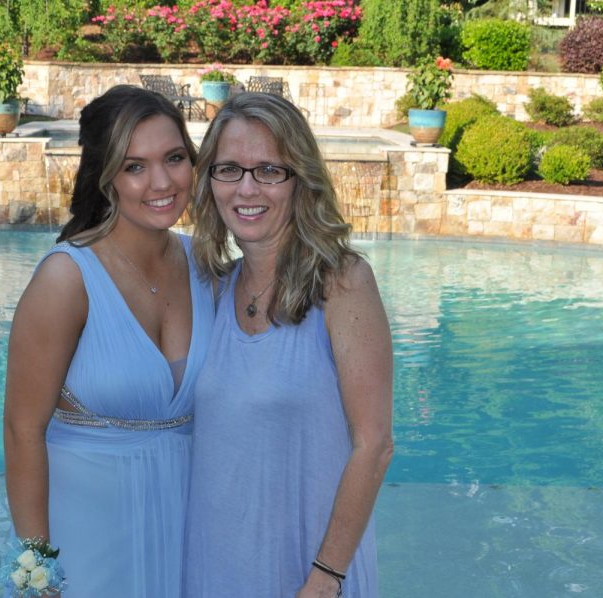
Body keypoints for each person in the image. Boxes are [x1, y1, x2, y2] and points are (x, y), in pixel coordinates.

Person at [2, 85, 214, 597]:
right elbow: (21, 430)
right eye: (134, 166)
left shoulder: (208, 267)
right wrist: (39, 568)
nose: (161, 182)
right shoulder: (66, 279)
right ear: (106, 176)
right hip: (89, 541)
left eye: (175, 158)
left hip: (189, 531)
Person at [183, 92, 394, 598]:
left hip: (308, 572)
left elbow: (375, 446)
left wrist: (326, 576)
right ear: (209, 181)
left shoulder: (343, 283)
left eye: (269, 170)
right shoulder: (211, 287)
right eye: (228, 169)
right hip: (213, 564)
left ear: (300, 180)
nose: (246, 188)